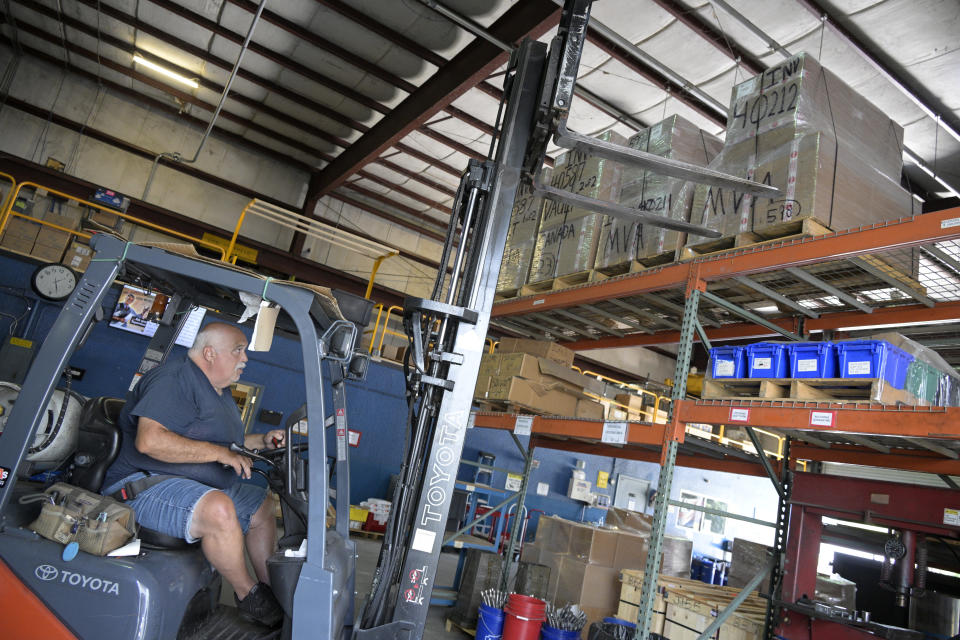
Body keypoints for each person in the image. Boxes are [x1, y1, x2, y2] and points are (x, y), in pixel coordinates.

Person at [101, 322, 285, 627]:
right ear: (210, 353)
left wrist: (262, 441)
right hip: (143, 485)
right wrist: (219, 454)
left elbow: (225, 444)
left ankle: (273, 592)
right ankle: (249, 596)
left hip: (189, 484)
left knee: (261, 504)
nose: (245, 359)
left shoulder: (219, 391)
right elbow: (150, 440)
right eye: (238, 350)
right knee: (219, 509)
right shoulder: (174, 379)